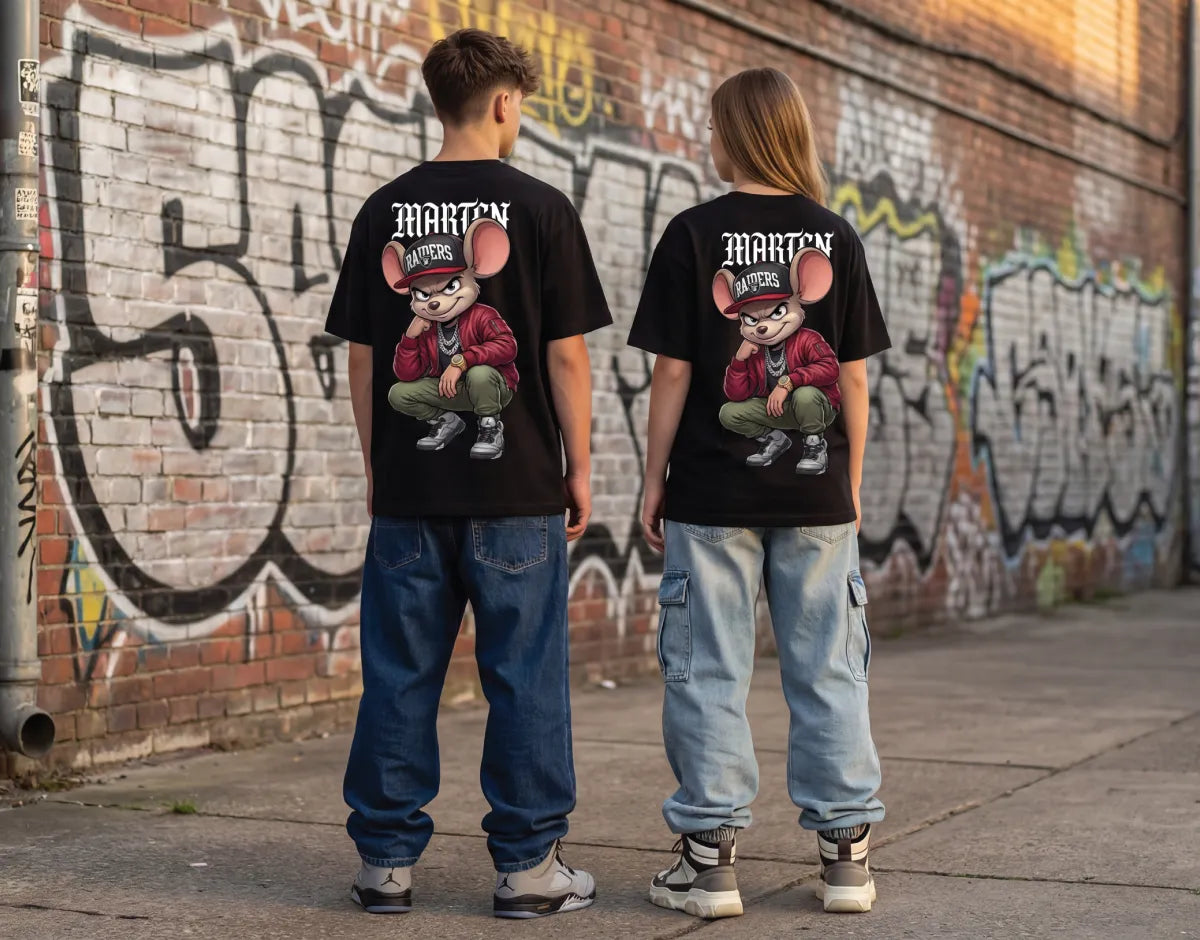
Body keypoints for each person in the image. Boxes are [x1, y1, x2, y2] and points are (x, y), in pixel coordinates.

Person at [325, 27, 611, 919]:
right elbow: (565, 358)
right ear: (503, 102)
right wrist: (579, 466)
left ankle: (385, 865)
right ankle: (527, 870)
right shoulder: (544, 209)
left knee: (398, 673)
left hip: (409, 494)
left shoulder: (383, 210)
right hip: (517, 490)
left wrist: (378, 466)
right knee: (525, 676)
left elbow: (363, 361)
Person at [627, 67, 891, 918]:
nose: (708, 139)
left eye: (714, 126)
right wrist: (848, 482)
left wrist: (653, 477)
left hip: (711, 494)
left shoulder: (693, 233)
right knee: (829, 670)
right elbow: (854, 379)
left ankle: (710, 867)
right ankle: (846, 860)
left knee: (706, 669)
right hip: (816, 500)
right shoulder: (835, 236)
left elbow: (673, 373)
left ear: (736, 134)